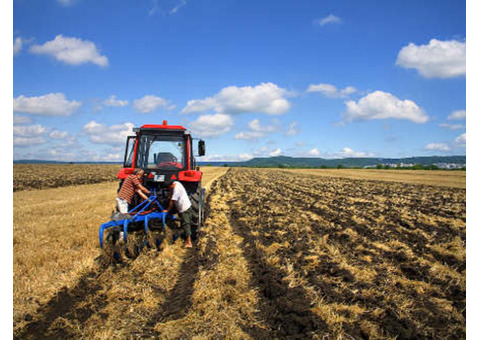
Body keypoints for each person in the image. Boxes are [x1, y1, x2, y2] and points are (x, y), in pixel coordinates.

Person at [162, 179, 193, 248]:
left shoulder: (176, 190)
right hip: (180, 207)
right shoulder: (176, 183)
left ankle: (189, 242)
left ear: (172, 185)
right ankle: (183, 237)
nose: (169, 189)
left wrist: (167, 210)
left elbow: (172, 201)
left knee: (186, 224)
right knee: (183, 223)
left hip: (184, 208)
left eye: (169, 188)